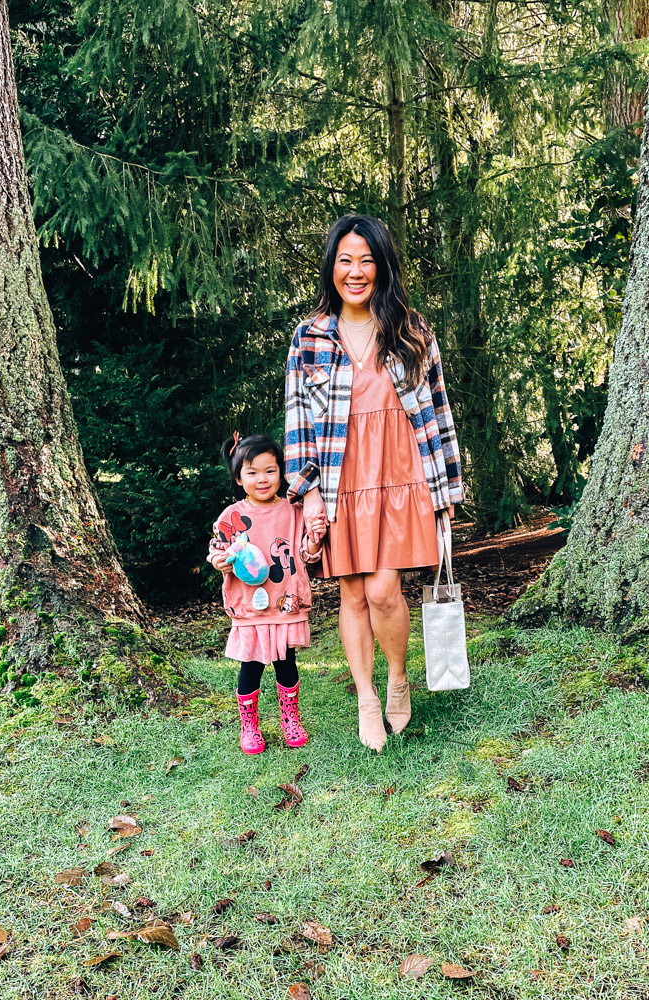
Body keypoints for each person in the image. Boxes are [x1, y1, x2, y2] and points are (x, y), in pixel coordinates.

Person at [284, 215, 463, 752]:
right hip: (340, 480)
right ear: (331, 267)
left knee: (385, 591)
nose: (356, 271)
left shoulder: (412, 330)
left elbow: (438, 412)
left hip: (402, 475)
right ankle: (366, 697)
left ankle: (398, 678)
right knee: (353, 593)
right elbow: (297, 420)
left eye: (366, 260)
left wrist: (447, 489)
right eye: (345, 260)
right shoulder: (309, 336)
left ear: (382, 266)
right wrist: (308, 493)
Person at [207, 434, 326, 755]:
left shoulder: (294, 511)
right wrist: (220, 560)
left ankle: (291, 719)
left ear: (281, 473)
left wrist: (315, 539)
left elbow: (306, 554)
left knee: (286, 662)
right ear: (238, 478)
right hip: (250, 607)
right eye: (252, 472)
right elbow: (217, 550)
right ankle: (249, 726)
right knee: (251, 667)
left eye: (270, 471)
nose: (262, 479)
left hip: (285, 603)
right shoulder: (230, 516)